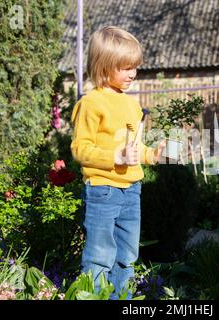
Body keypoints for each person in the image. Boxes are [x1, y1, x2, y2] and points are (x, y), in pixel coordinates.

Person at [70, 26, 165, 299]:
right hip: (103, 189)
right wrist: (114, 157)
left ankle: (121, 297)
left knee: (127, 253)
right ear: (103, 66)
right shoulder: (91, 103)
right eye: (124, 67)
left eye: (134, 66)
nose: (132, 73)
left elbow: (133, 148)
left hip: (132, 190)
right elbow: (80, 149)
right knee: (100, 255)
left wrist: (152, 156)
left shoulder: (133, 105)